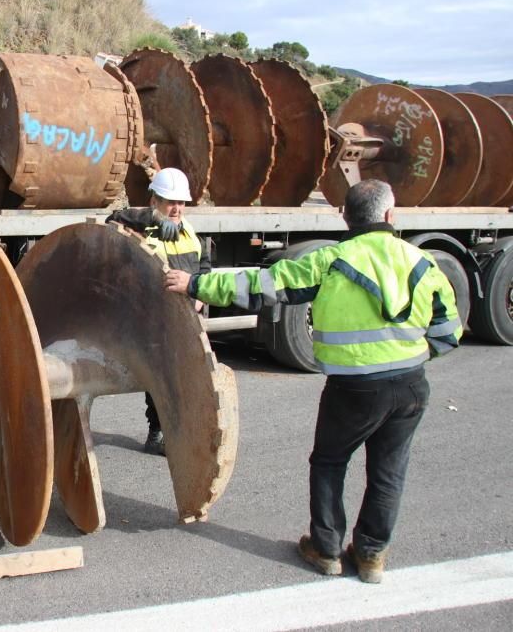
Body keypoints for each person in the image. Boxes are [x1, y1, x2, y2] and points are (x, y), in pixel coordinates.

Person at [164, 179, 462, 584]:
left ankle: (326, 549)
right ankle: (372, 556)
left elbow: (259, 286)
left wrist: (195, 283)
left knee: (330, 463)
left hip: (353, 388)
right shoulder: (422, 263)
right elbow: (448, 333)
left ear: (344, 215)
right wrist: (408, 357)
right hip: (410, 385)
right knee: (388, 472)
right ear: (391, 216)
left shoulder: (329, 261)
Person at [106, 167, 211, 456]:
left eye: (181, 202)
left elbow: (205, 267)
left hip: (188, 317)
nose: (176, 208)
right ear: (155, 201)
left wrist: (200, 294)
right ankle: (158, 433)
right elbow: (111, 220)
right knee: (162, 377)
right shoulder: (143, 226)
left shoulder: (189, 232)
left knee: (190, 376)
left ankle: (183, 428)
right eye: (169, 202)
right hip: (156, 318)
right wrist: (150, 219)